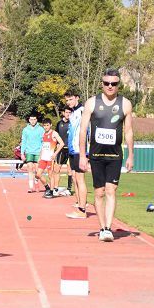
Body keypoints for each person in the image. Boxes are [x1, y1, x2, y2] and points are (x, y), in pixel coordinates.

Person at [78, 69, 135, 242]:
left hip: (115, 155)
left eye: (114, 84)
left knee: (111, 190)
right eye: (107, 83)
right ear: (102, 84)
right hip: (96, 154)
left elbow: (129, 131)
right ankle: (101, 226)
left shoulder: (125, 104)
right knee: (99, 192)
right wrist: (82, 155)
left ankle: (108, 228)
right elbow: (83, 131)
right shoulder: (91, 103)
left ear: (119, 85)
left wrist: (131, 155)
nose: (110, 86)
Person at [63, 90, 89, 220]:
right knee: (75, 178)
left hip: (80, 150)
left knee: (80, 179)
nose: (69, 102)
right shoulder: (73, 114)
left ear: (77, 98)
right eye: (67, 100)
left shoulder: (83, 111)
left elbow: (88, 131)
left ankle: (82, 210)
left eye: (71, 99)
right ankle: (80, 205)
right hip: (73, 150)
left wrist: (86, 153)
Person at [39, 119, 64, 198]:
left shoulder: (54, 133)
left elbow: (62, 143)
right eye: (44, 125)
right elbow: (43, 146)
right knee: (38, 174)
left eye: (47, 125)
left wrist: (55, 153)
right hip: (43, 158)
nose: (46, 127)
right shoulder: (43, 134)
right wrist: (40, 157)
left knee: (50, 175)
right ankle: (47, 187)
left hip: (50, 158)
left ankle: (52, 191)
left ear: (50, 125)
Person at [51, 106, 73, 196]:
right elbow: (55, 136)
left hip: (70, 149)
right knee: (57, 169)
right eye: (67, 112)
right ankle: (56, 188)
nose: (68, 114)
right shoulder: (59, 123)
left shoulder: (73, 123)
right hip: (61, 149)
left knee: (70, 170)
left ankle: (69, 189)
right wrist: (54, 148)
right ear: (63, 113)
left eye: (70, 112)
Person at [20, 114, 44, 193]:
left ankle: (36, 182)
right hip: (29, 151)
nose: (33, 121)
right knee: (30, 168)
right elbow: (23, 141)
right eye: (31, 119)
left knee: (37, 170)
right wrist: (22, 153)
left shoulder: (41, 129)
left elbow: (43, 141)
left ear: (36, 120)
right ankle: (30, 187)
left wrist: (42, 152)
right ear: (29, 120)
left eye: (34, 119)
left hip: (38, 152)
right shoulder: (25, 130)